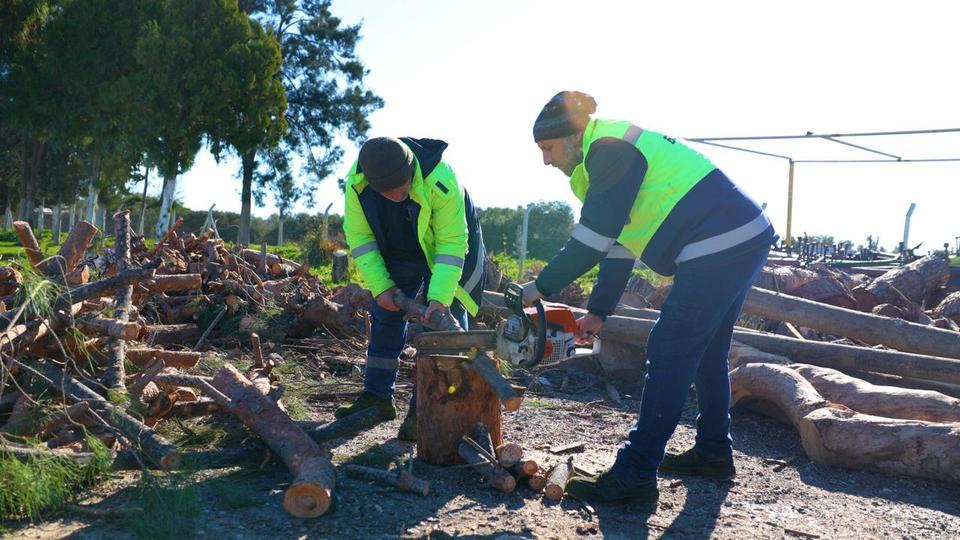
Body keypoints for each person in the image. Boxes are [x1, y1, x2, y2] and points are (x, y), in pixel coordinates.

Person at [524, 91, 776, 508]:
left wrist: (542, 286)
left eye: (548, 148)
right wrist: (600, 311)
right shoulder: (601, 160)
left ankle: (636, 476)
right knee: (708, 350)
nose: (545, 160)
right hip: (742, 236)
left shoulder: (608, 150)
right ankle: (713, 452)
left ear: (572, 135)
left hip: (719, 242)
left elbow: (592, 239)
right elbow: (619, 242)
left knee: (670, 348)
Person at [338, 136, 485, 441]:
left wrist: (440, 299)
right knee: (385, 313)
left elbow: (452, 243)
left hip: (450, 249)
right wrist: (381, 287)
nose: (398, 195)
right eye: (389, 192)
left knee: (445, 326)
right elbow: (361, 238)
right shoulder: (357, 182)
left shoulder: (441, 180)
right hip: (398, 247)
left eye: (403, 188)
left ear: (411, 172)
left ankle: (428, 410)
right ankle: (377, 398)